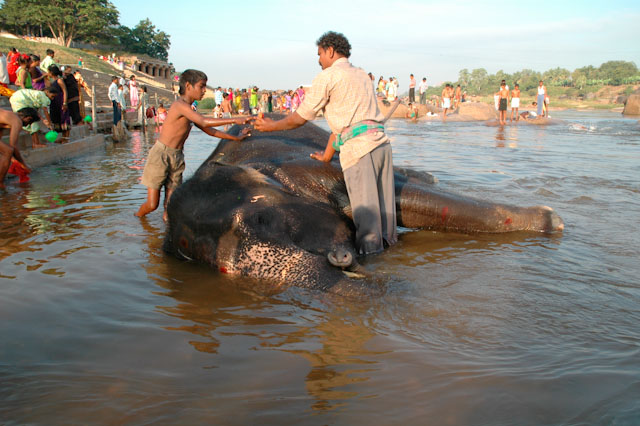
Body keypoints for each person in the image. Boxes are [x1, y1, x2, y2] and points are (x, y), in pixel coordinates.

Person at [255, 31, 397, 255]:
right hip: (381, 146)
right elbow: (343, 123)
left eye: (320, 53)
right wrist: (327, 156)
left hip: (360, 150)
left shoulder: (328, 76)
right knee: (387, 218)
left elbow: (299, 118)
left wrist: (270, 126)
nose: (318, 59)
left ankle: (374, 275)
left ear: (330, 51)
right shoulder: (361, 75)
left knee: (367, 220)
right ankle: (396, 259)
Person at [135, 69, 253, 221]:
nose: (204, 91)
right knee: (152, 204)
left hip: (176, 157)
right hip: (161, 155)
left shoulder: (190, 109)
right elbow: (204, 121)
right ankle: (137, 219)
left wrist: (236, 138)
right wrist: (235, 120)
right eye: (201, 86)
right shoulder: (179, 105)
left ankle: (163, 236)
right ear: (188, 86)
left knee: (172, 206)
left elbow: (209, 130)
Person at [0, 108, 36, 188]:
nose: (27, 126)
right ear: (28, 118)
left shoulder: (7, 117)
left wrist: (13, 160)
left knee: (7, 151)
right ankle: (0, 183)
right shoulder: (17, 121)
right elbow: (13, 146)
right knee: (8, 151)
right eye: (29, 123)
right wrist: (23, 164)